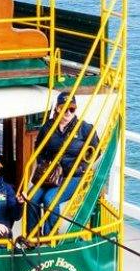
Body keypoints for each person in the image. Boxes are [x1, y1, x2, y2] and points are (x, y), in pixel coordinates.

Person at [20, 97, 96, 239]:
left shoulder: (84, 128)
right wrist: (47, 166)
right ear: (57, 108)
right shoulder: (48, 128)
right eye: (63, 108)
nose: (68, 112)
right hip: (51, 175)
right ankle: (33, 237)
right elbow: (39, 150)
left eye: (71, 109)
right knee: (32, 198)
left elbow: (94, 151)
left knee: (50, 199)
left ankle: (50, 237)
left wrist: (80, 166)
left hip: (72, 176)